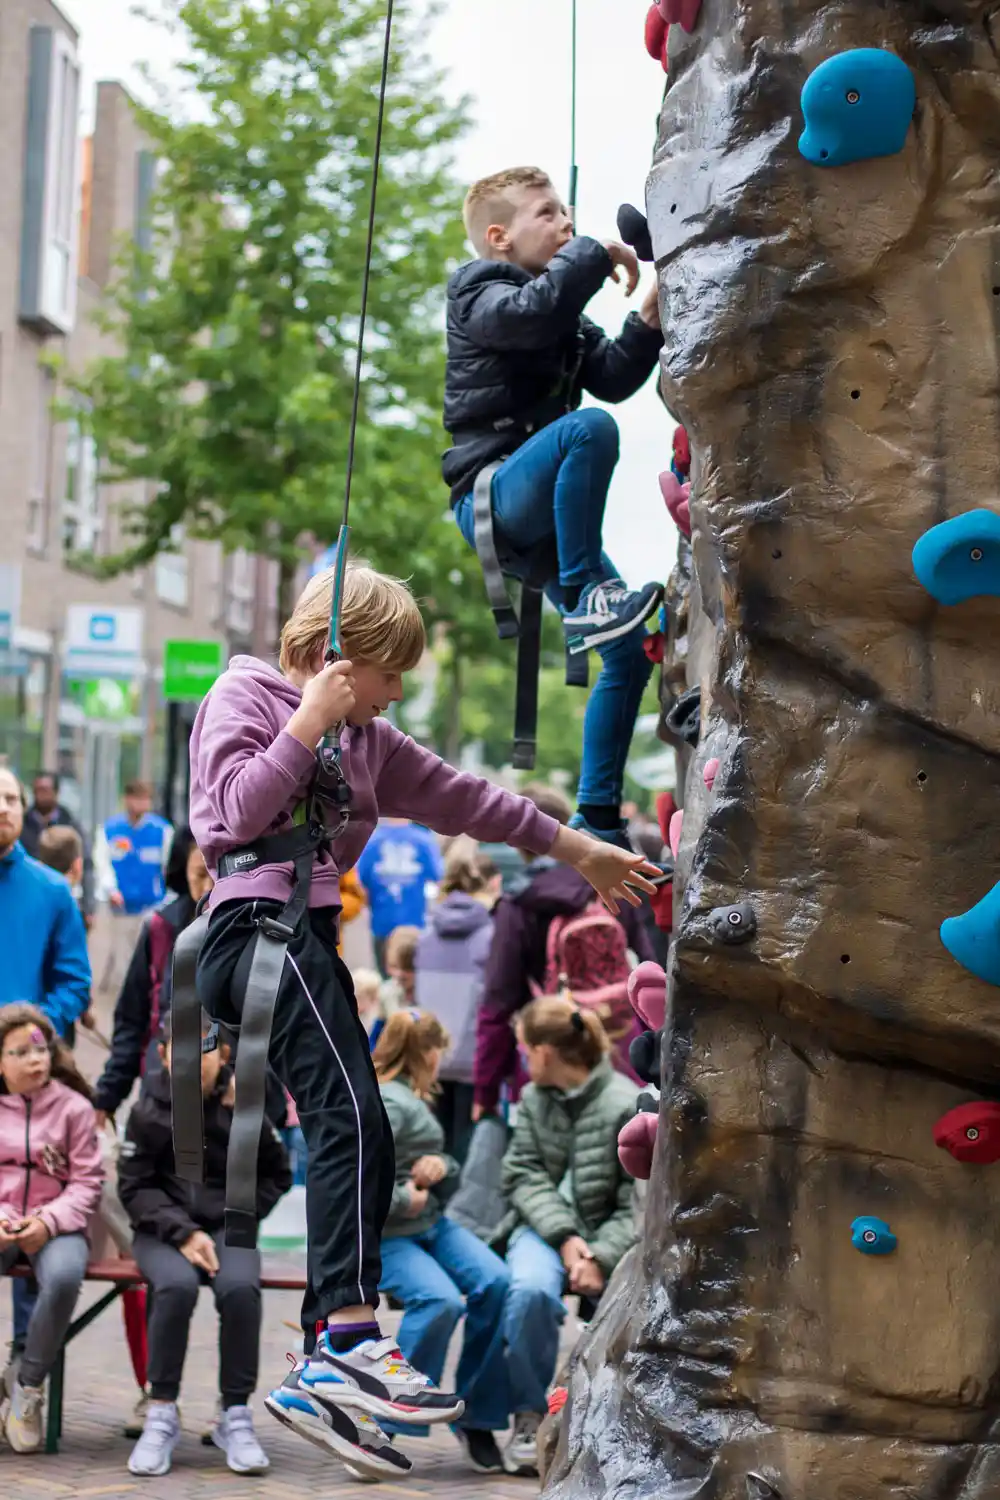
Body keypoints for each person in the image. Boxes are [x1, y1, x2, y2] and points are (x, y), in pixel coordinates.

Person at [188, 559, 657, 1481]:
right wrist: (305, 722)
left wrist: (579, 851)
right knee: (352, 1119)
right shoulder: (244, 695)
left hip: (310, 938)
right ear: (335, 657)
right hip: (253, 927)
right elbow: (231, 820)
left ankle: (330, 1353)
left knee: (354, 1124)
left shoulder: (371, 739)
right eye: (387, 671)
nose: (397, 691)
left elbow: (472, 801)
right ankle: (346, 1340)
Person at [444, 166, 665, 848]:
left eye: (568, 213)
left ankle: (597, 811)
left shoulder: (559, 315)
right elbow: (529, 315)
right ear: (499, 236)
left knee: (628, 655)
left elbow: (613, 376)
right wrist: (595, 254)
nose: (566, 223)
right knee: (588, 430)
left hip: (540, 507)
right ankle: (591, 594)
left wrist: (650, 315)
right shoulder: (479, 289)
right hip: (495, 495)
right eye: (549, 214)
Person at [118, 1011, 291, 1477]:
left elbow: (278, 1173)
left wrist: (238, 1217)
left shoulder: (245, 1104)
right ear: (164, 1055)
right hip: (162, 1232)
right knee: (175, 1288)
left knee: (239, 1290)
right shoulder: (148, 1109)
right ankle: (161, 1411)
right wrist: (183, 1232)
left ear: (227, 1055)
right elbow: (134, 1187)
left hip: (227, 1227)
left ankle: (234, 1414)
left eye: (207, 1047)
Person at [493, 997, 639, 1475]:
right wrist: (564, 1238)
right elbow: (520, 1174)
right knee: (530, 1291)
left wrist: (597, 1254)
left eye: (524, 1050)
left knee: (628, 1306)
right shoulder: (534, 1101)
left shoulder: (624, 1102)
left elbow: (635, 1202)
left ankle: (602, 1426)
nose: (522, 1060)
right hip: (543, 1232)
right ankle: (528, 1415)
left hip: (606, 1239)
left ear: (546, 1052)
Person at [374, 1009, 512, 1474]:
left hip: (430, 1226)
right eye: (441, 1052)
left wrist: (438, 1167)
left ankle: (475, 1415)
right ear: (427, 1052)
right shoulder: (391, 1102)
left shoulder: (410, 1096)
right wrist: (402, 1198)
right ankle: (383, 1421)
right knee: (439, 1303)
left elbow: (432, 1162)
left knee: (497, 1281)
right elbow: (356, 1178)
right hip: (390, 1236)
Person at [473, 784, 656, 1117]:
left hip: (548, 1064)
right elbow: (649, 975)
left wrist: (485, 1092)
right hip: (619, 1054)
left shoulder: (518, 904)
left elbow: (497, 1004)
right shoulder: (607, 885)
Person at [0, 1004, 103, 1453]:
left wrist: (47, 1220)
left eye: (39, 1047)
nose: (35, 1058)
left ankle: (27, 1387)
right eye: (20, 1051)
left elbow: (87, 1182)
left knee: (63, 1276)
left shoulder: (75, 1108)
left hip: (57, 1224)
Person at [92, 827, 212, 1129]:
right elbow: (132, 1019)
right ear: (182, 871)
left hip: (232, 1103)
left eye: (219, 875)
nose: (210, 887)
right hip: (161, 1101)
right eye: (200, 874)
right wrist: (109, 1094)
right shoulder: (161, 929)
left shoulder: (254, 928)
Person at [415, 839, 499, 1161]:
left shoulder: (425, 936)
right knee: (467, 1150)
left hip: (431, 1057)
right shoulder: (490, 936)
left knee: (433, 1146)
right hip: (474, 1060)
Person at [0, 767, 91, 1039]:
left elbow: (74, 982)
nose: (4, 808)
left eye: (12, 799)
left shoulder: (53, 891)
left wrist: (33, 1033)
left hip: (23, 1070)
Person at [95, 781, 173, 996]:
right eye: (136, 798)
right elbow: (103, 864)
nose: (141, 804)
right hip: (122, 906)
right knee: (123, 956)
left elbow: (168, 867)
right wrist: (111, 890)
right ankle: (128, 997)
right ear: (126, 799)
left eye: (145, 799)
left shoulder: (162, 831)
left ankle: (148, 995)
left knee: (149, 953)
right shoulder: (110, 829)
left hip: (152, 904)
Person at [356, 819, 443, 974]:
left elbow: (361, 885)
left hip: (382, 925)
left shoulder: (370, 840)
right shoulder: (423, 839)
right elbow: (440, 880)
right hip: (415, 927)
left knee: (386, 983)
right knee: (415, 983)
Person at [20, 771, 95, 928]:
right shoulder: (22, 825)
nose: (42, 794)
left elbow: (87, 864)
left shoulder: (71, 823)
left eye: (46, 790)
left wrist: (88, 907)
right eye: (38, 790)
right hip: (30, 901)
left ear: (56, 792)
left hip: (68, 899)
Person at [380, 924, 420, 1016]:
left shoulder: (430, 995)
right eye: (394, 966)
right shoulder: (387, 993)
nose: (400, 974)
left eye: (408, 968)